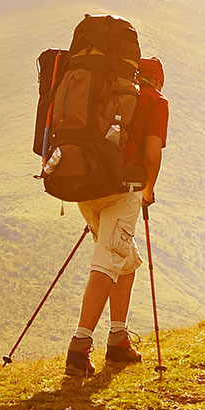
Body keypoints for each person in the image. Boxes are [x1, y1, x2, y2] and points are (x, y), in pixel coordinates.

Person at [65, 57, 168, 377]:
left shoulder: (106, 93)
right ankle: (79, 349)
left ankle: (118, 340)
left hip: (85, 187)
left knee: (126, 259)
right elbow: (152, 153)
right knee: (108, 262)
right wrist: (148, 190)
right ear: (159, 81)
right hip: (123, 190)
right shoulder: (155, 101)